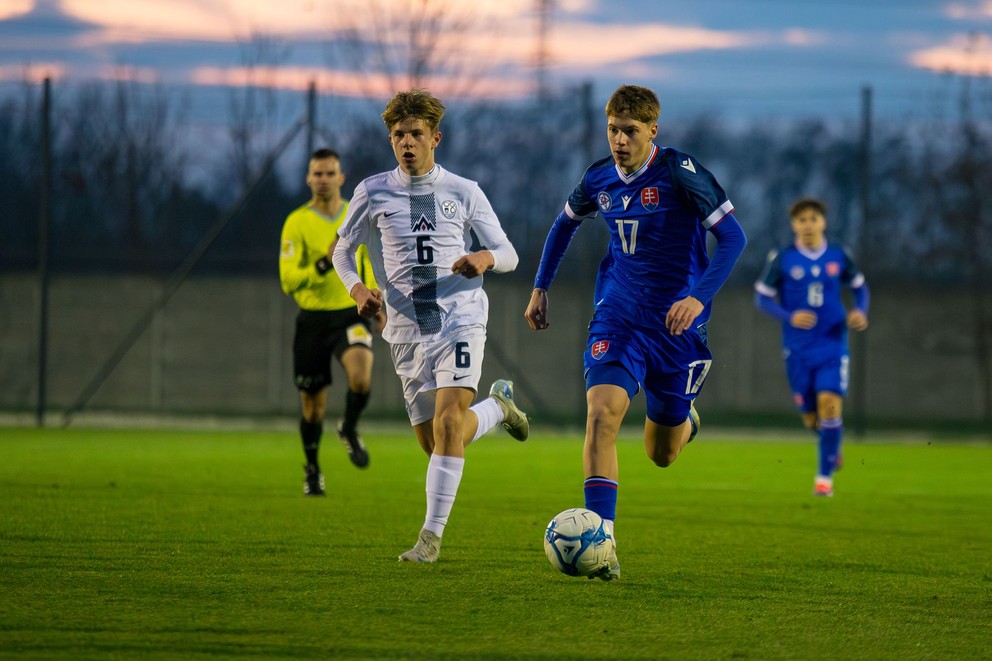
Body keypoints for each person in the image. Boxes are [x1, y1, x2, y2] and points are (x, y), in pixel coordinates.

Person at [523, 84, 747, 580]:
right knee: (602, 414)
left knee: (661, 454)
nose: (619, 140)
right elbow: (564, 224)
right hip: (619, 317)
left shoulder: (679, 172)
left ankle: (685, 421)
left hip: (677, 328)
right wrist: (541, 287)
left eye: (629, 131)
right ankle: (603, 542)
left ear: (652, 132)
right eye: (612, 130)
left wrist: (696, 298)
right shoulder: (599, 177)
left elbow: (733, 237)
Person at [331, 89, 530, 564]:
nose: (407, 143)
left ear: (435, 137)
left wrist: (484, 257)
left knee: (445, 424)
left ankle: (430, 538)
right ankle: (498, 410)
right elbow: (341, 252)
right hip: (404, 329)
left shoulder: (464, 191)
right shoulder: (372, 191)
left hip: (460, 319)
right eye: (398, 134)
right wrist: (359, 291)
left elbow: (509, 254)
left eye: (416, 134)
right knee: (439, 440)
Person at [279, 148, 385, 497]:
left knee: (361, 375)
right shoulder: (297, 222)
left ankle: (349, 427)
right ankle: (312, 469)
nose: (323, 179)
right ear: (309, 178)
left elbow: (366, 262)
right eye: (317, 174)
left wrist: (375, 298)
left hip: (347, 313)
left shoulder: (353, 218)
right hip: (312, 320)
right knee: (313, 407)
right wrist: (323, 265)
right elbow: (288, 280)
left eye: (330, 173)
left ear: (341, 178)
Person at [754, 196, 869, 497]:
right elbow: (762, 298)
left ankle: (824, 479)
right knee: (810, 417)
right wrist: (789, 315)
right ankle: (832, 444)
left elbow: (859, 288)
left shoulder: (839, 255)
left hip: (832, 344)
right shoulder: (782, 258)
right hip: (798, 349)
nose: (808, 225)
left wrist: (860, 311)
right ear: (794, 224)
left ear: (823, 222)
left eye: (813, 219)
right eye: (802, 220)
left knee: (829, 403)